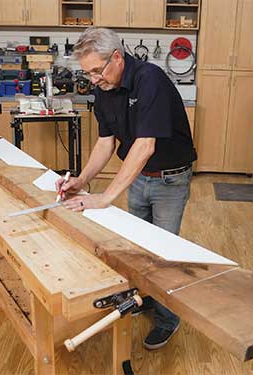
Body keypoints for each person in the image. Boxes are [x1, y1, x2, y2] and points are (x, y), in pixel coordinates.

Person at [56, 27, 197, 350]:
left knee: (161, 256)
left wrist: (105, 198)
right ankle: (144, 299)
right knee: (136, 248)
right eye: (87, 72)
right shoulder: (105, 88)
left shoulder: (151, 80)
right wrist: (81, 180)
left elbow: (145, 145)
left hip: (170, 179)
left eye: (96, 70)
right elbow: (106, 142)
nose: (93, 79)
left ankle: (167, 319)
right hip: (138, 176)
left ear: (117, 57)